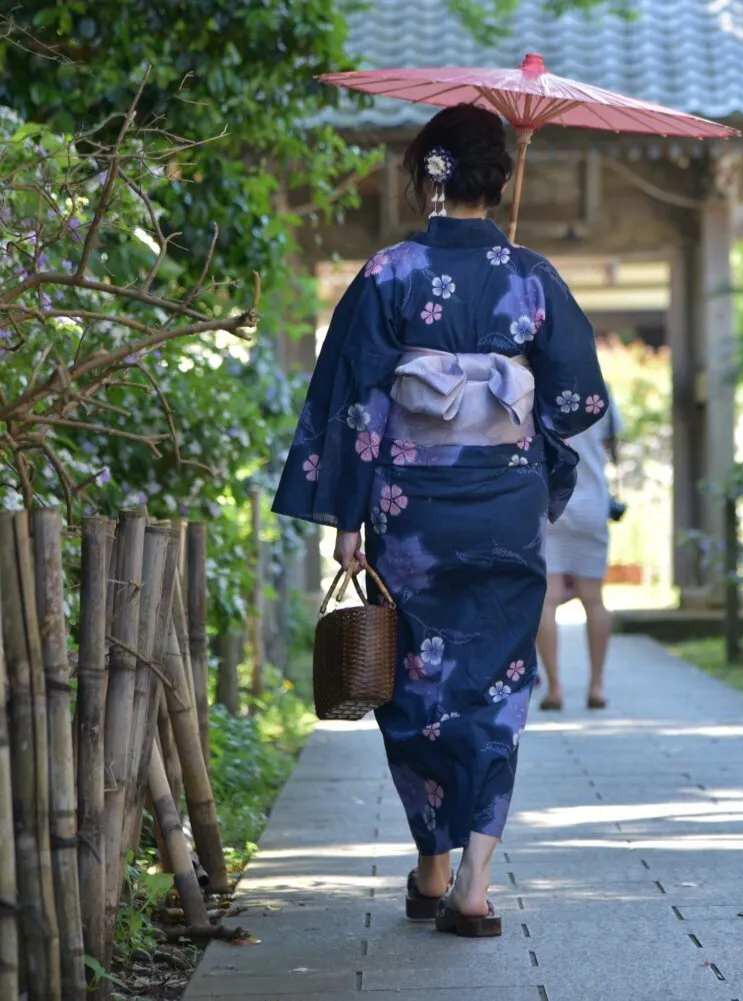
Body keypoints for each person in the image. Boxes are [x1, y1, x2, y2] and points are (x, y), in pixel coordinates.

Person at [272, 104, 606, 938]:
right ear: (500, 179)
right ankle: (473, 885)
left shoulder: (389, 271)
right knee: (498, 682)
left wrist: (349, 517)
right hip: (504, 504)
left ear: (432, 175)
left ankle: (431, 858)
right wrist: (506, 379)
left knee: (414, 682)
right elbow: (577, 399)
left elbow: (353, 399)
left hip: (410, 510)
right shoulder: (531, 274)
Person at [536, 391, 622, 711]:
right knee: (594, 599)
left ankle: (555, 689)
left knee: (548, 601)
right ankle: (597, 686)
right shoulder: (601, 394)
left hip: (550, 503)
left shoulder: (541, 389)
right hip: (592, 506)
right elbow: (611, 445)